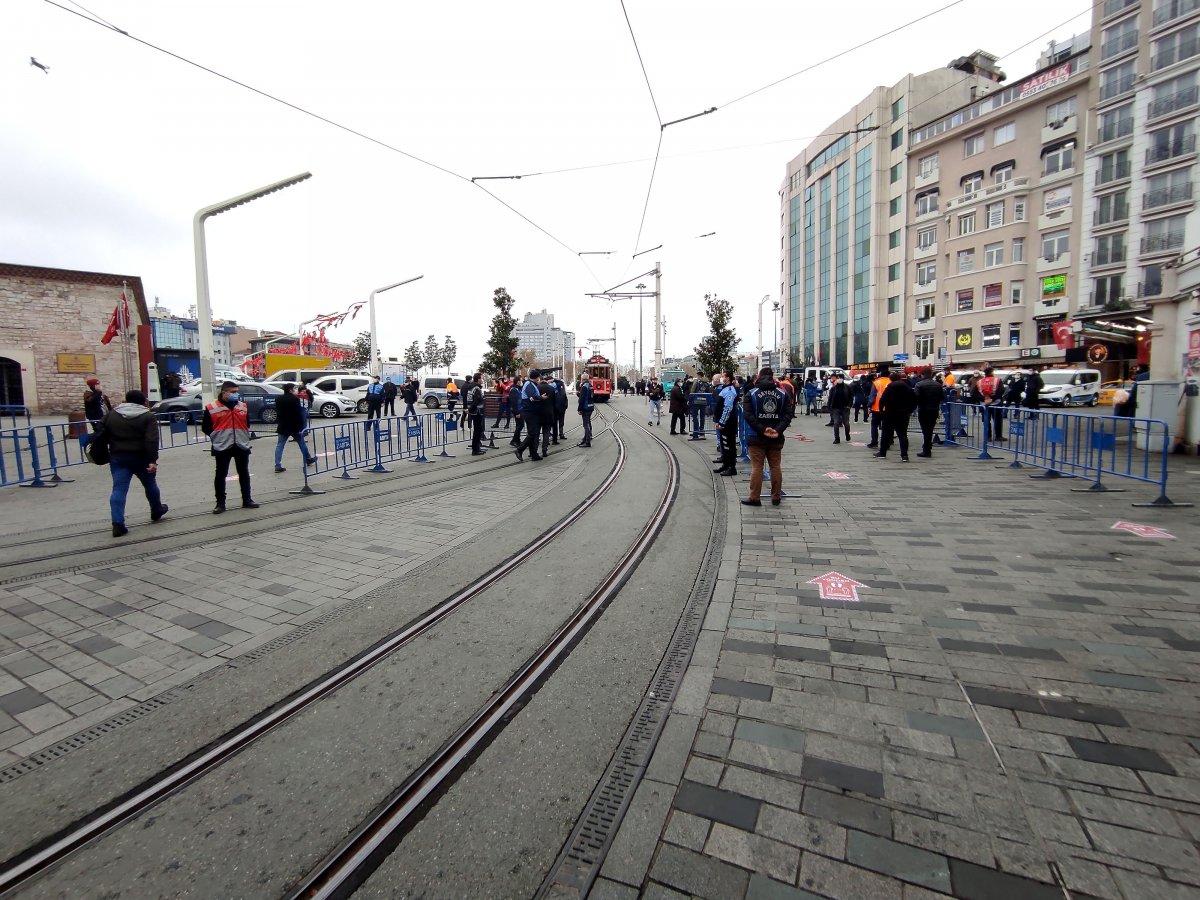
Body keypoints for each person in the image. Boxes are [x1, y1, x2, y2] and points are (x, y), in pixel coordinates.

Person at [102, 390, 167, 537]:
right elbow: (151, 440)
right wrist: (153, 460)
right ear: (142, 401)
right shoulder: (147, 416)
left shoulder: (112, 414)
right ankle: (156, 510)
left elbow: (101, 432)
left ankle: (117, 523)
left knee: (118, 489)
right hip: (141, 458)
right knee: (150, 484)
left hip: (118, 457)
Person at [201, 380, 258, 514]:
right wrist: (216, 436)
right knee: (221, 475)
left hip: (241, 445)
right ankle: (220, 504)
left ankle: (247, 499)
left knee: (244, 473)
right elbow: (206, 427)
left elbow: (247, 423)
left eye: (237, 392)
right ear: (224, 392)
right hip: (222, 446)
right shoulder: (212, 407)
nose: (236, 394)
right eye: (233, 392)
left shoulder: (242, 406)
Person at [741, 367, 793, 506]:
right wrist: (777, 430)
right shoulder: (783, 394)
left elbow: (748, 415)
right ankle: (776, 496)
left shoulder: (751, 394)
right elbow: (788, 415)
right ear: (772, 377)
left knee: (757, 467)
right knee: (775, 466)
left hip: (756, 437)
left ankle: (754, 498)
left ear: (759, 376)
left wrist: (762, 429)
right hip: (776, 437)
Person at [875, 371, 917, 461]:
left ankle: (882, 453)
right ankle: (904, 455)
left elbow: (882, 400)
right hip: (903, 414)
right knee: (903, 435)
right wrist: (909, 410)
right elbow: (914, 400)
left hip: (890, 413)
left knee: (886, 434)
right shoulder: (907, 388)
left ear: (891, 379)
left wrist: (882, 411)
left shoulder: (889, 388)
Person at [274, 383, 315, 472]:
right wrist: (301, 426)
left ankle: (277, 465)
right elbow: (298, 413)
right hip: (294, 426)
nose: (295, 390)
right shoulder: (295, 399)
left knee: (280, 445)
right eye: (294, 389)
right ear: (290, 390)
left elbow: (278, 412)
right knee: (301, 443)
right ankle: (308, 459)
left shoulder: (278, 399)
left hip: (283, 426)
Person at [914, 368, 945, 458]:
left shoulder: (919, 384)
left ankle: (926, 450)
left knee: (925, 430)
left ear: (923, 374)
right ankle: (927, 447)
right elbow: (942, 397)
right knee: (930, 429)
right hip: (934, 409)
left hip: (923, 409)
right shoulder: (938, 385)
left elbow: (916, 397)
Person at [515, 369, 544, 461]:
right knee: (532, 433)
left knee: (534, 433)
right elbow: (532, 397)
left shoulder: (530, 384)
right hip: (530, 412)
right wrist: (541, 397)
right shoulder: (529, 385)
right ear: (536, 377)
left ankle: (533, 454)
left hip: (532, 412)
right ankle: (520, 450)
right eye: (538, 377)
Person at [715, 370, 740, 475]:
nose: (721, 378)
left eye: (723, 376)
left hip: (728, 423)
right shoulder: (725, 389)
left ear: (728, 378)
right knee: (724, 444)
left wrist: (721, 423)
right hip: (725, 422)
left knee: (729, 445)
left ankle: (731, 467)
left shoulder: (729, 390)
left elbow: (728, 408)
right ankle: (725, 465)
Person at [866, 365, 891, 448]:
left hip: (876, 408)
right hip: (888, 408)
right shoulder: (891, 381)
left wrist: (869, 405)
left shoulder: (876, 382)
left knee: (874, 426)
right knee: (887, 426)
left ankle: (874, 442)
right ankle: (887, 442)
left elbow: (872, 397)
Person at [977, 366, 1004, 441]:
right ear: (992, 372)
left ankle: (988, 437)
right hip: (996, 404)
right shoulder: (997, 380)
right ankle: (998, 436)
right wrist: (992, 399)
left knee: (986, 421)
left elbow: (975, 393)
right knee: (998, 420)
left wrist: (985, 399)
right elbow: (1001, 391)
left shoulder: (979, 381)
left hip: (984, 404)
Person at [827, 372, 851, 443]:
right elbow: (830, 398)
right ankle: (837, 438)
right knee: (836, 423)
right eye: (838, 378)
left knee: (846, 423)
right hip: (835, 408)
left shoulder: (847, 387)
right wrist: (829, 407)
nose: (839, 379)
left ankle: (847, 434)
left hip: (845, 408)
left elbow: (851, 397)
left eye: (840, 378)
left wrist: (849, 406)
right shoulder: (833, 389)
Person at [466, 373, 486, 455]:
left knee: (477, 430)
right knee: (478, 431)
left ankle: (477, 448)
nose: (483, 380)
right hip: (477, 412)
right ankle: (476, 449)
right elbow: (476, 401)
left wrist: (469, 409)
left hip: (473, 411)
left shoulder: (471, 387)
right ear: (478, 379)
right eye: (482, 378)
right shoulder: (477, 388)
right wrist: (470, 409)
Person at [577, 371, 595, 447]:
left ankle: (587, 442)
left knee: (585, 424)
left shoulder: (584, 386)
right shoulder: (590, 385)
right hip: (590, 406)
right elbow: (591, 396)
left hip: (585, 407)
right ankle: (585, 439)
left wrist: (579, 409)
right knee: (588, 422)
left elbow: (582, 399)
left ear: (582, 379)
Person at [508, 377, 524, 445]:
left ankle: (517, 440)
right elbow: (513, 402)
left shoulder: (517, 389)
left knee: (519, 425)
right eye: (521, 381)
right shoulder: (514, 390)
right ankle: (514, 440)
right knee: (520, 425)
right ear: (517, 381)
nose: (521, 382)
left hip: (520, 409)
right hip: (517, 410)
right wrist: (517, 412)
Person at [553, 374, 568, 442]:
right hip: (561, 408)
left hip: (556, 408)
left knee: (556, 422)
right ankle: (560, 434)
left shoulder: (554, 387)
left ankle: (556, 435)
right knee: (561, 422)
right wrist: (565, 406)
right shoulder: (561, 387)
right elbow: (565, 397)